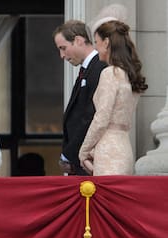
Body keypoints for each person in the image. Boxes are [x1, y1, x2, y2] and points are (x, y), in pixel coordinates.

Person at [79, 17, 148, 175]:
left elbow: (101, 118)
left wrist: (84, 150)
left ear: (106, 42)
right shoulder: (130, 76)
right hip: (124, 147)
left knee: (105, 198)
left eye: (96, 42)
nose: (95, 48)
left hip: (108, 151)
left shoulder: (110, 73)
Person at [53, 20, 107, 175]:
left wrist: (69, 155)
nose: (62, 55)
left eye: (63, 48)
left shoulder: (99, 68)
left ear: (78, 40)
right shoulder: (88, 69)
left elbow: (90, 116)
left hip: (88, 161)